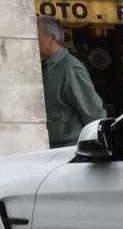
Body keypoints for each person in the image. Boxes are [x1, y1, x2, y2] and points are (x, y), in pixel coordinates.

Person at [37, 15, 105, 148]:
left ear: (52, 38)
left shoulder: (70, 68)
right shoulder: (46, 66)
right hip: (52, 146)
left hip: (69, 148)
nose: (32, 40)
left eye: (37, 35)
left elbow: (94, 113)